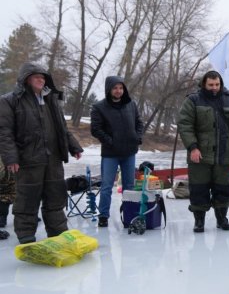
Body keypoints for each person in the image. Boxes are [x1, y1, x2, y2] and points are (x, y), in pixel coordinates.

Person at [0, 62, 83, 244]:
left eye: (43, 76)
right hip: (28, 160)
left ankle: (59, 235)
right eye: (37, 76)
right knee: (27, 201)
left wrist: (73, 146)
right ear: (26, 79)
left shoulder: (50, 99)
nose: (41, 79)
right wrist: (11, 157)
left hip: (53, 159)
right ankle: (26, 238)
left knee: (55, 198)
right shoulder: (9, 100)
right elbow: (4, 132)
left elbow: (62, 128)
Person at [177, 71, 229, 232]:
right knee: (198, 189)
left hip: (225, 154)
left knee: (223, 188)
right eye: (211, 85)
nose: (214, 88)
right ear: (204, 84)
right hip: (200, 154)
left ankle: (222, 219)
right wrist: (192, 147)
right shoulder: (193, 100)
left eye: (217, 85)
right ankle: (199, 221)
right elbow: (185, 125)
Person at [90, 76, 144, 227]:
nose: (118, 91)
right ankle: (103, 215)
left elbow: (139, 122)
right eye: (115, 88)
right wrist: (110, 141)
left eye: (121, 88)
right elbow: (95, 129)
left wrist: (137, 137)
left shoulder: (131, 104)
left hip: (129, 152)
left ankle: (129, 214)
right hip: (110, 153)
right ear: (109, 89)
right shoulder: (99, 107)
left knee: (129, 186)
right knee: (107, 186)